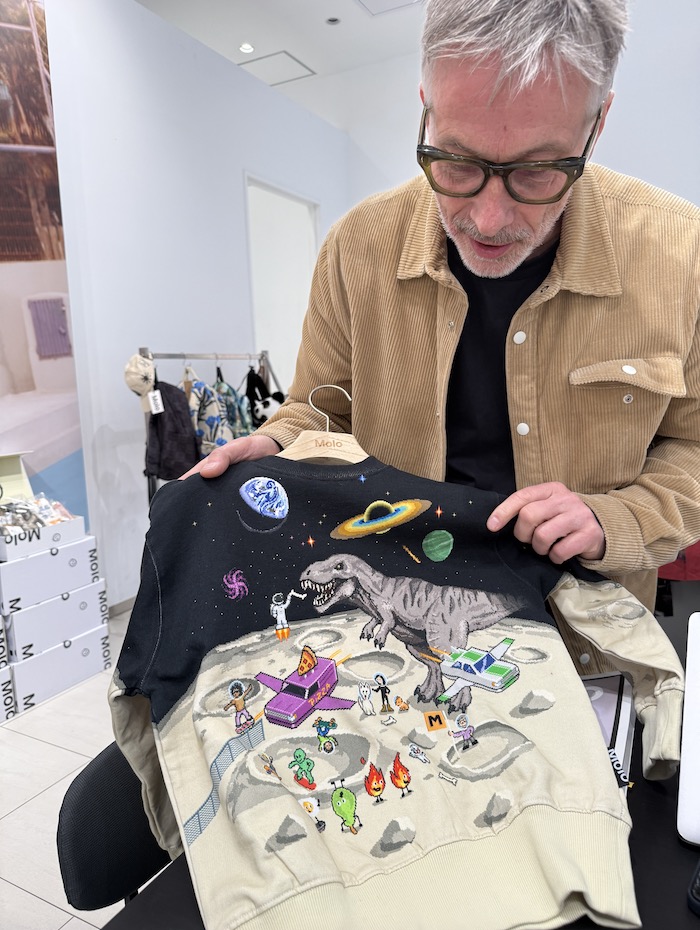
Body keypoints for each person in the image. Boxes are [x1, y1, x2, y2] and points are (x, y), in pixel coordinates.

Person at [184, 0, 700, 613]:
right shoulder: (357, 246)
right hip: (398, 611)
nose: (489, 218)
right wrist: (276, 446)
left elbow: (693, 445)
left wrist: (615, 518)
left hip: (587, 626)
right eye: (455, 162)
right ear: (425, 106)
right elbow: (320, 411)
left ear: (598, 123)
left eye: (537, 173)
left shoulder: (682, 255)